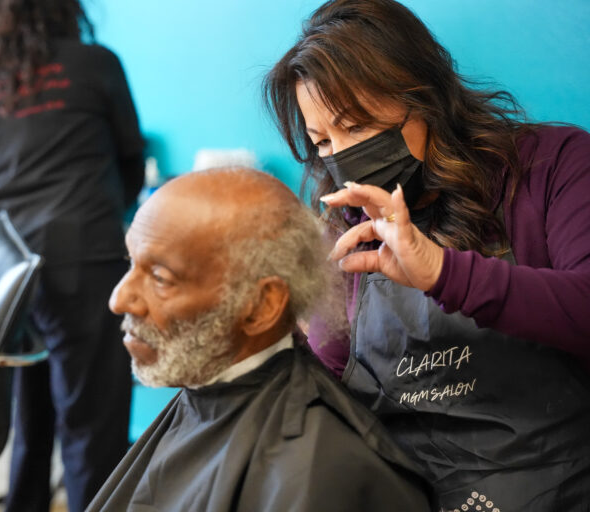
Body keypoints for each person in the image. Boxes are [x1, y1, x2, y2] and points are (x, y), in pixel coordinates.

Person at [264, 0, 590, 510]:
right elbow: (328, 383)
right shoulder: (345, 231)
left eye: (356, 125)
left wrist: (441, 271)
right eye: (322, 141)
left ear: (426, 97)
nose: (340, 156)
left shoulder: (555, 167)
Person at [87, 168, 431, 511]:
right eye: (130, 262)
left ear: (261, 307)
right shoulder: (207, 392)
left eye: (160, 278)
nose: (119, 299)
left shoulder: (324, 469)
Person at [0, 1, 145, 510]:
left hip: (7, 272)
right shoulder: (96, 63)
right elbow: (132, 159)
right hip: (84, 257)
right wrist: (105, 213)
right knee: (91, 423)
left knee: (31, 411)